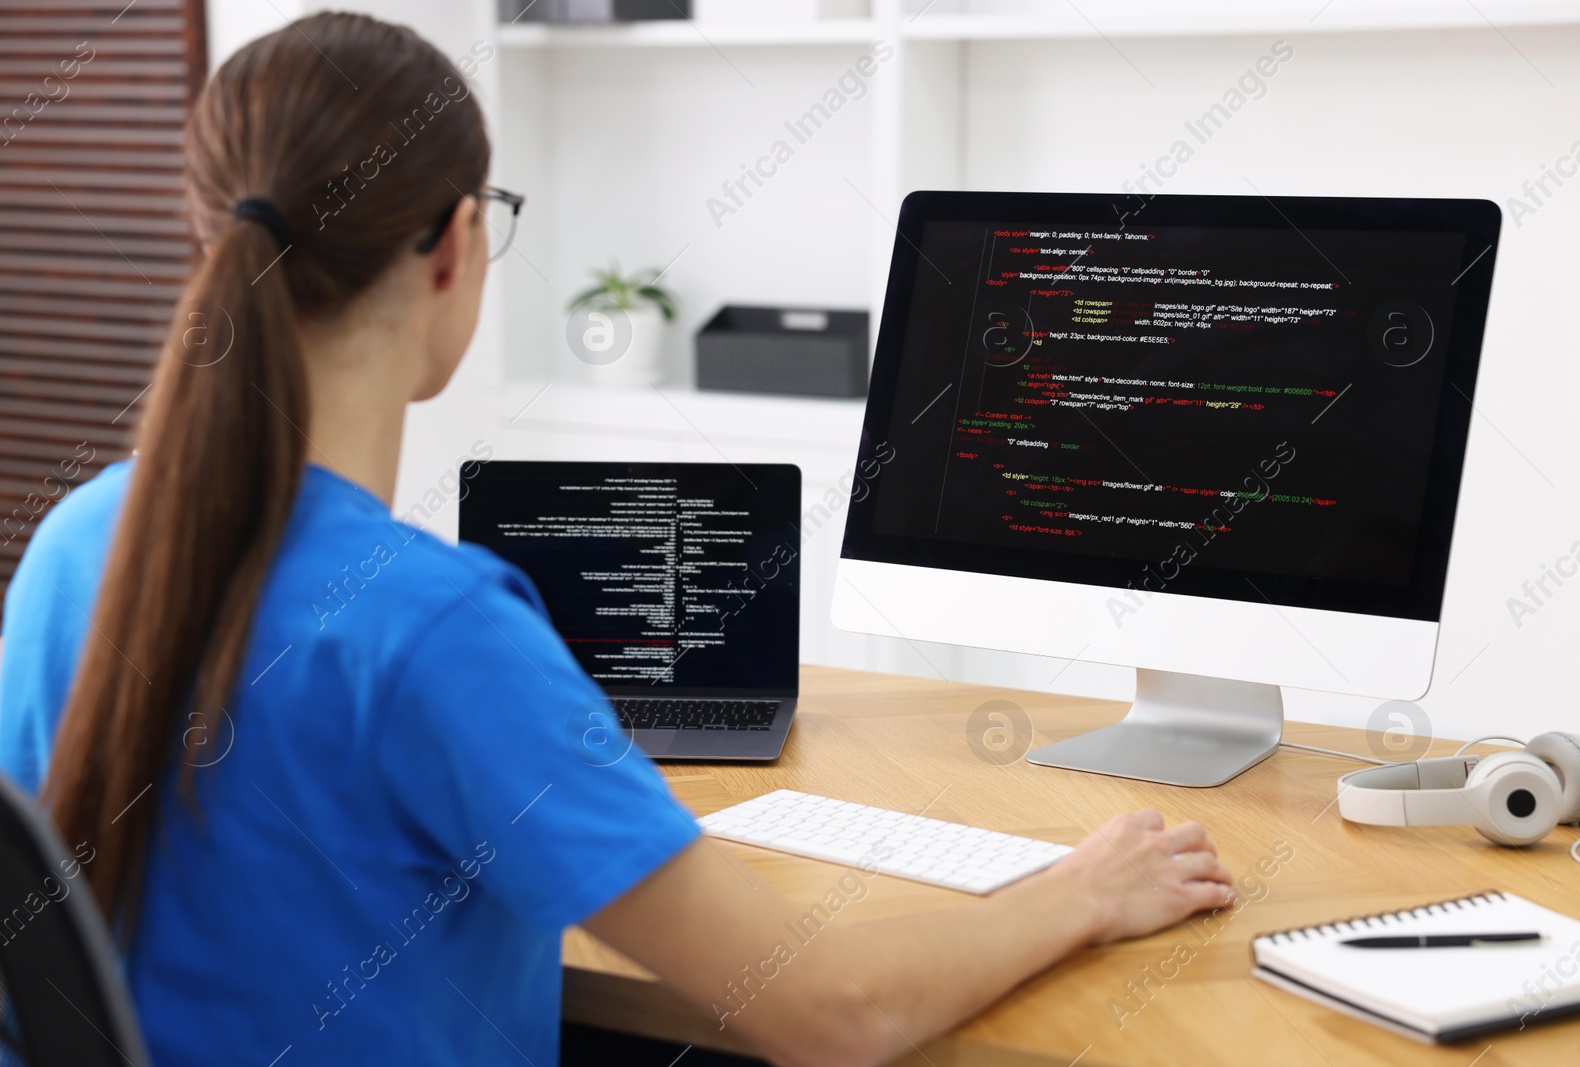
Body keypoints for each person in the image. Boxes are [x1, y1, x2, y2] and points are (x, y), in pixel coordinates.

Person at [0, 13, 1235, 1067]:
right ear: (455, 244)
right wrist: (1080, 890)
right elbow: (833, 1009)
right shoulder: (433, 628)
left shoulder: (71, 545)